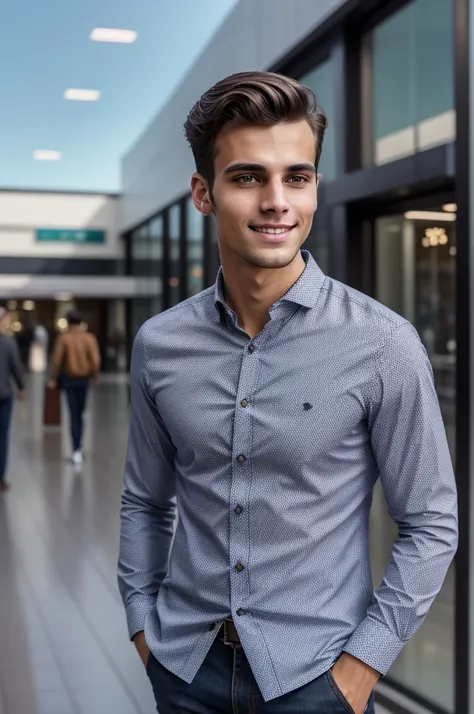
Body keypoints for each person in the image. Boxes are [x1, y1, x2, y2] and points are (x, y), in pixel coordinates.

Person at [118, 72, 458, 714]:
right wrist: (144, 629)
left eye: (296, 177)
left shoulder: (383, 344)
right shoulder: (159, 345)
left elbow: (431, 523)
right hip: (185, 671)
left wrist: (359, 673)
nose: (277, 201)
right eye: (248, 177)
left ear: (314, 188)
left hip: (317, 680)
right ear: (203, 192)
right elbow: (144, 501)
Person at [48, 310, 100, 466]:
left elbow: (56, 360)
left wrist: (53, 378)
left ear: (68, 322)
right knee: (81, 413)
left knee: (73, 414)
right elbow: (95, 360)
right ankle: (79, 446)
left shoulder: (64, 338)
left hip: (69, 380)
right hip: (84, 380)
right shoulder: (89, 338)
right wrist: (95, 377)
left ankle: (76, 448)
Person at [0, 307, 25, 492]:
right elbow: (16, 366)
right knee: (2, 436)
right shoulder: (8, 343)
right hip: (4, 394)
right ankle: (1, 478)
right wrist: (21, 386)